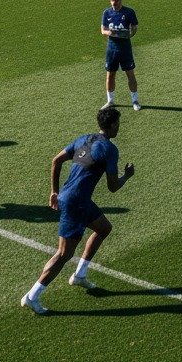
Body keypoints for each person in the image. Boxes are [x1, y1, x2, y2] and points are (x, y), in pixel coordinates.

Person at [21, 106, 135, 314]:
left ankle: (80, 275)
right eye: (118, 124)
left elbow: (56, 161)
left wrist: (54, 191)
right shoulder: (110, 149)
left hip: (70, 196)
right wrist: (127, 176)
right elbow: (112, 187)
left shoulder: (83, 138)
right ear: (111, 126)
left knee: (103, 228)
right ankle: (32, 295)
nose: (119, 128)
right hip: (77, 203)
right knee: (64, 253)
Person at [101, 0, 140, 111]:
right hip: (111, 49)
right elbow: (103, 30)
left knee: (130, 74)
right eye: (112, 0)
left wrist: (130, 34)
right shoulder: (106, 13)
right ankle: (110, 101)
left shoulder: (129, 12)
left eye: (116, 0)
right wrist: (110, 32)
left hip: (125, 49)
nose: (114, 2)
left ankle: (135, 100)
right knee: (110, 75)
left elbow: (134, 27)